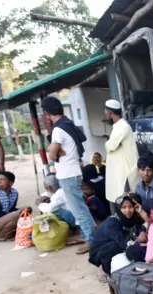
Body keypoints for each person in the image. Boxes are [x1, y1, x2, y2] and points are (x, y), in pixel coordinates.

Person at [42, 96, 97, 255]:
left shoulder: (58, 130)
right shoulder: (69, 124)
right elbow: (80, 139)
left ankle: (90, 240)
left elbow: (51, 156)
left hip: (67, 173)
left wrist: (55, 151)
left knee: (79, 209)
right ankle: (87, 235)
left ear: (47, 113)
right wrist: (59, 150)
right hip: (74, 171)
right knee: (78, 207)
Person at [88, 194, 148, 282]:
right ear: (118, 208)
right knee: (117, 246)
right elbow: (124, 243)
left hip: (116, 243)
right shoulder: (112, 223)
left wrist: (142, 231)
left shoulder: (132, 217)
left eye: (130, 207)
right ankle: (103, 268)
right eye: (123, 207)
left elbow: (141, 223)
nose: (128, 210)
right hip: (100, 252)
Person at [104, 99, 139, 210]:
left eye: (106, 112)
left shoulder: (122, 126)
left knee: (125, 201)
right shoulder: (118, 126)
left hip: (125, 171)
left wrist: (107, 144)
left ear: (110, 113)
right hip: (120, 170)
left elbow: (111, 146)